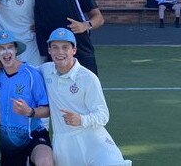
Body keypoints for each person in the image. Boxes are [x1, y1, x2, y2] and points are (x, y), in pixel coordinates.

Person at [40, 28, 131, 166]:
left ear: (74, 50)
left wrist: (81, 119)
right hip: (64, 145)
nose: (60, 52)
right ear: (49, 50)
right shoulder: (45, 70)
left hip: (92, 139)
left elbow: (103, 115)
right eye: (55, 47)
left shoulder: (88, 78)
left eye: (65, 47)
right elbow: (22, 70)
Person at [0, 30, 53, 166]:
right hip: (9, 143)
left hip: (33, 135)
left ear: (16, 49)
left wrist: (30, 112)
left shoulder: (31, 74)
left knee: (45, 161)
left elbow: (47, 110)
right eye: (1, 48)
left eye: (10, 47)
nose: (6, 52)